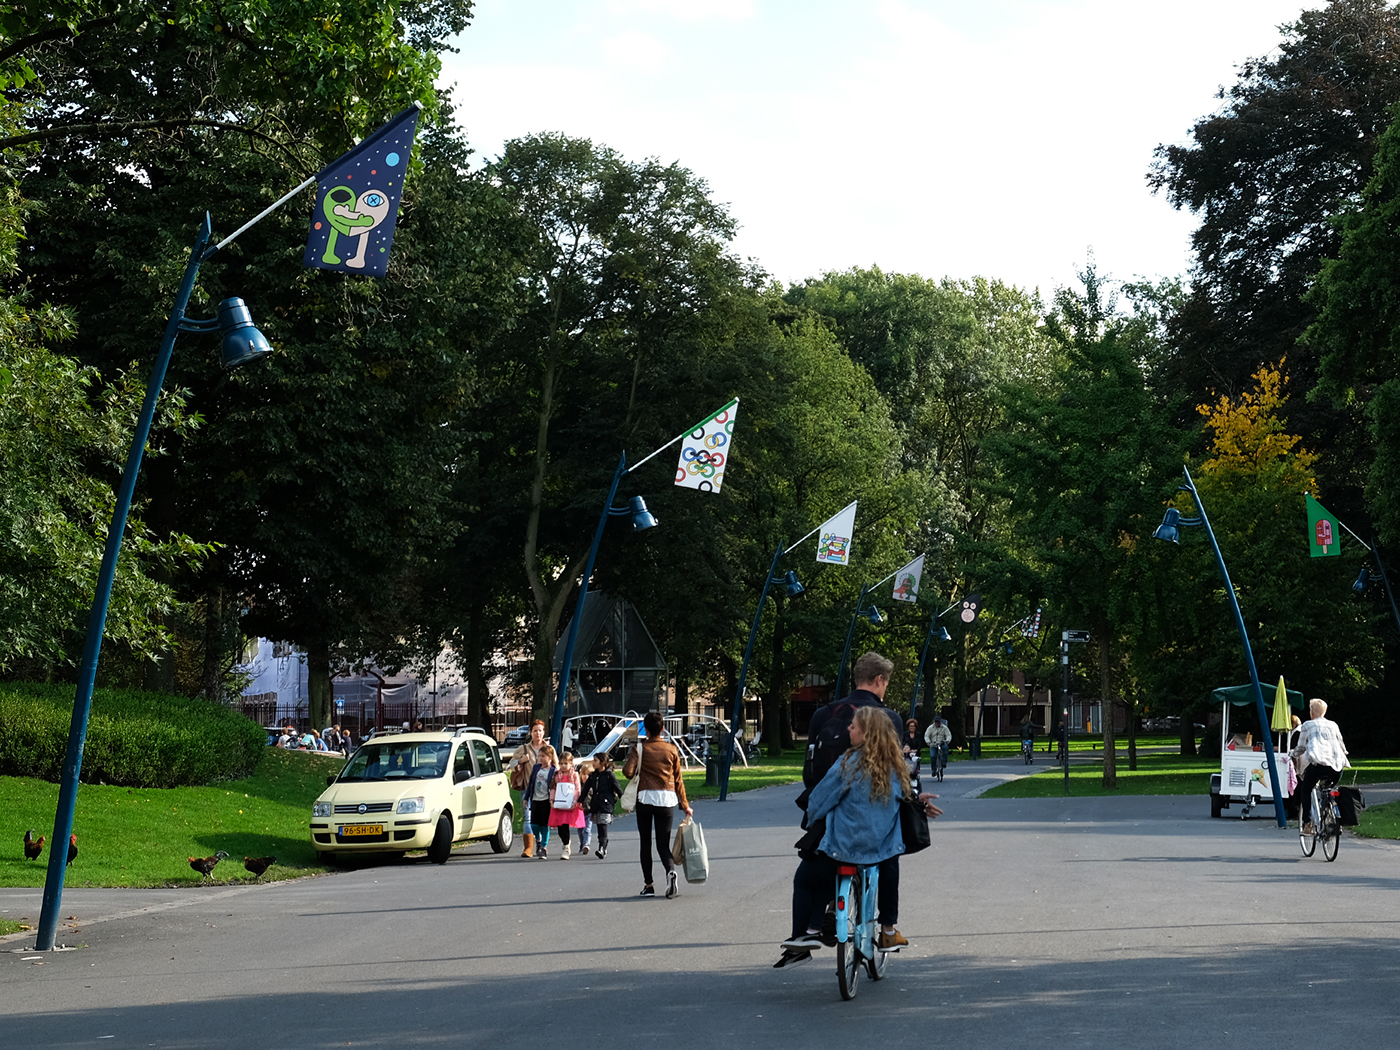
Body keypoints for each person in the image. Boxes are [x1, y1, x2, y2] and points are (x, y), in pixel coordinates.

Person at [776, 706, 942, 968]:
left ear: (866, 733)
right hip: (881, 849)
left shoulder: (848, 764)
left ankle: (806, 933)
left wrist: (812, 818)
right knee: (890, 865)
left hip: (843, 847)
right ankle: (887, 929)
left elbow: (819, 800)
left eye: (853, 726)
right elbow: (907, 798)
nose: (848, 729)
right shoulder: (897, 767)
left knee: (808, 878)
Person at [800, 652, 907, 947]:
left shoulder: (823, 715)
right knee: (888, 857)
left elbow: (810, 769)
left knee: (823, 857)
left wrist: (813, 809)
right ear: (879, 680)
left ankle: (829, 911)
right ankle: (887, 928)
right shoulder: (889, 719)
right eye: (886, 684)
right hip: (875, 815)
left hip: (828, 811)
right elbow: (895, 768)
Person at [622, 711, 692, 898]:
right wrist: (685, 805)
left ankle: (649, 885)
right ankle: (670, 872)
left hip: (645, 798)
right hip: (666, 799)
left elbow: (627, 772)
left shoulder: (640, 748)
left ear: (645, 729)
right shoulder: (671, 750)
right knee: (663, 843)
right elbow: (678, 780)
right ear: (662, 728)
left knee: (645, 843)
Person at [1290, 698, 1350, 834]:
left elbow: (1301, 748)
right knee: (1329, 789)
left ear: (1312, 712)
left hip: (1318, 765)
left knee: (1306, 790)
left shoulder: (1307, 725)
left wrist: (1292, 754)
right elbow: (1342, 746)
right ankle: (1332, 817)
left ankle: (1308, 823)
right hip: (1337, 767)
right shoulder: (1333, 725)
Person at [508, 720, 548, 857]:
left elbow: (557, 766)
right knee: (528, 818)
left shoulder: (549, 748)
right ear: (531, 732)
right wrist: (520, 761)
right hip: (528, 788)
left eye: (540, 730)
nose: (538, 733)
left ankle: (542, 845)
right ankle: (528, 848)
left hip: (545, 790)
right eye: (535, 730)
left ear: (544, 732)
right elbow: (510, 765)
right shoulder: (523, 749)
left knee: (543, 819)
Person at [582, 753, 621, 859]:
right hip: (596, 804)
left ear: (602, 762)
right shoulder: (593, 776)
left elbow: (617, 788)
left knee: (603, 825)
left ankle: (602, 848)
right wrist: (580, 801)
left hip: (606, 804)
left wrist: (624, 800)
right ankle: (603, 844)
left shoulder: (609, 775)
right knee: (599, 826)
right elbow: (586, 789)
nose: (593, 763)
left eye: (595, 761)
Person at [548, 751, 586, 859]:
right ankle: (566, 842)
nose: (563, 766)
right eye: (561, 763)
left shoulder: (574, 775)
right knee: (560, 827)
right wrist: (552, 800)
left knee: (566, 824)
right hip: (559, 804)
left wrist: (575, 801)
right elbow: (553, 788)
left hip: (570, 804)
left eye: (566, 763)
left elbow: (577, 789)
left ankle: (565, 848)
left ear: (571, 764)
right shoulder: (556, 775)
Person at [524, 744, 559, 859]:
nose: (541, 758)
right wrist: (526, 798)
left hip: (546, 801)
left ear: (550, 757)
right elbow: (531, 784)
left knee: (545, 825)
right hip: (535, 799)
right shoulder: (536, 768)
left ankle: (543, 847)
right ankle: (538, 840)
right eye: (540, 756)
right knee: (534, 824)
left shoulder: (554, 770)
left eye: (544, 756)